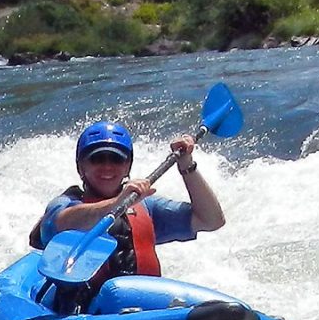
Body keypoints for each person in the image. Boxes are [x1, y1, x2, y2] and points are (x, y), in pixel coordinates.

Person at [29, 120, 226, 310]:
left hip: (140, 309)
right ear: (81, 167)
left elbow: (211, 220)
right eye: (97, 158)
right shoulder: (66, 203)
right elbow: (61, 223)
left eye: (116, 159)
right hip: (83, 315)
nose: (107, 166)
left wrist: (187, 165)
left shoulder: (145, 206)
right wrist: (117, 203)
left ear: (127, 166)